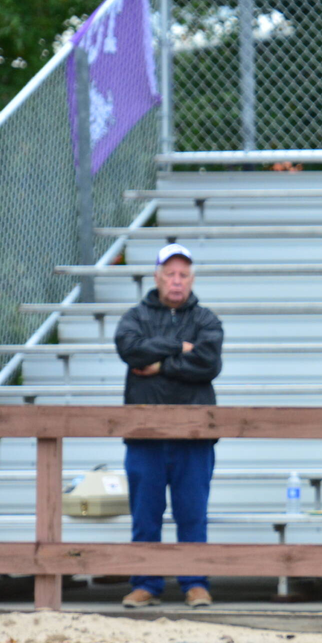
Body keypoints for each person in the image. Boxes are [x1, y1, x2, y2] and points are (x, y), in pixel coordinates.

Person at [115, 244, 223, 609]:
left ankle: (195, 582)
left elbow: (208, 363)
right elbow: (131, 351)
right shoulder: (134, 317)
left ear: (192, 279)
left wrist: (161, 364)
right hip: (144, 435)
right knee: (145, 514)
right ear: (157, 277)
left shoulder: (207, 320)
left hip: (195, 436)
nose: (176, 281)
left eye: (183, 275)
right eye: (170, 274)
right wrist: (180, 346)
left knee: (192, 513)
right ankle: (146, 583)